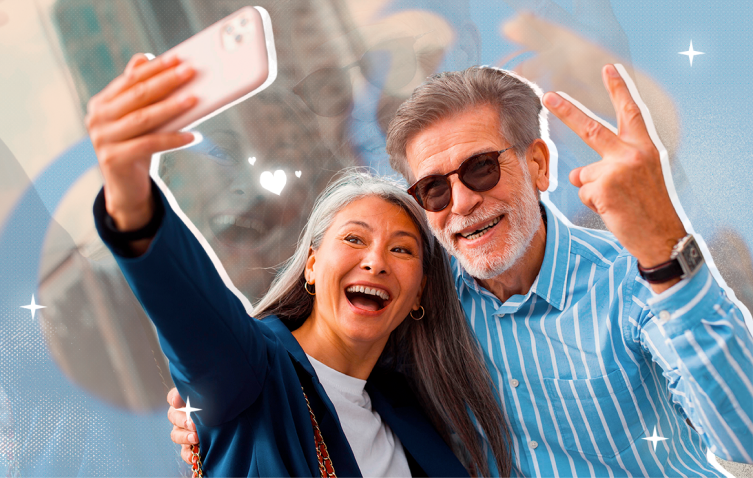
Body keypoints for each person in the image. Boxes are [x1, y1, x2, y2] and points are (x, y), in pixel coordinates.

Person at [168, 64, 753, 476]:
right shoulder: (415, 302)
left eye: (479, 170)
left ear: (539, 164)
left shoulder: (635, 282)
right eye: (433, 188)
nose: (462, 202)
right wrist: (215, 409)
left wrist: (666, 249)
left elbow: (744, 435)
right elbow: (320, 359)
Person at [86, 54, 515, 477]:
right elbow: (192, 310)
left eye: (402, 250)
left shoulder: (412, 412)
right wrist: (129, 194)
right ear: (311, 265)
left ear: (420, 291)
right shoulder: (253, 374)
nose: (375, 261)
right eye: (353, 238)